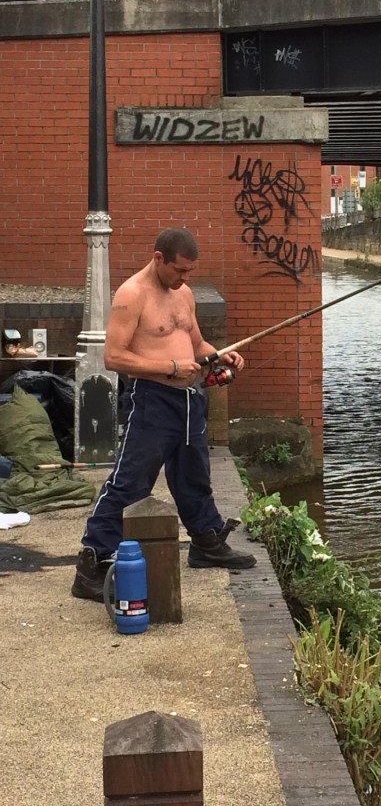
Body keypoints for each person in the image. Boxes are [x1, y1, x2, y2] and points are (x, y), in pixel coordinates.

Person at [71, 227, 256, 602]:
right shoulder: (131, 294)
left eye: (190, 271)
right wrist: (170, 367)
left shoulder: (183, 293)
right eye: (180, 270)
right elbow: (114, 357)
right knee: (130, 483)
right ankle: (91, 564)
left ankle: (206, 542)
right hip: (151, 399)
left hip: (190, 397)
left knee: (194, 474)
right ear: (159, 259)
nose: (185, 278)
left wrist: (219, 355)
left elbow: (196, 343)